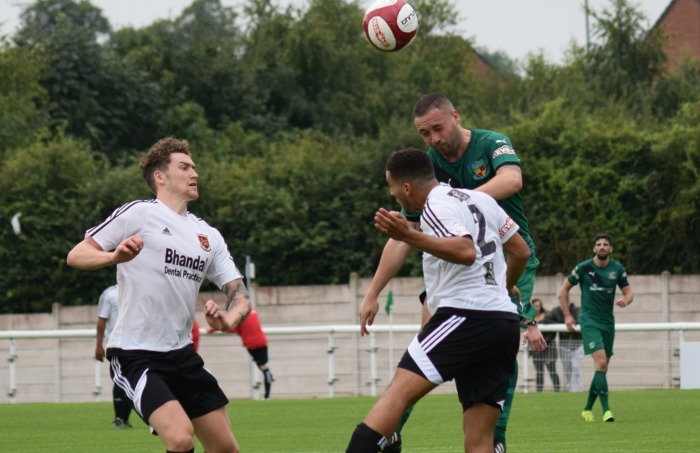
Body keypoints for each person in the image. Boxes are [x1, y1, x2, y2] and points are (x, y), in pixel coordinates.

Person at [359, 93, 543, 453]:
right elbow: (404, 236)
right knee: (430, 335)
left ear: (456, 117)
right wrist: (373, 292)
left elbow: (512, 180)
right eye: (424, 134)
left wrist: (461, 201)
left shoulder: (491, 142)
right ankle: (390, 432)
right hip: (454, 266)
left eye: (437, 129)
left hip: (504, 258)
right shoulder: (426, 165)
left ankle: (494, 438)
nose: (433, 140)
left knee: (499, 339)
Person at [67, 136, 251, 453]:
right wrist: (114, 258)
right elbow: (77, 254)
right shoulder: (139, 214)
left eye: (194, 166)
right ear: (160, 177)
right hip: (135, 353)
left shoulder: (208, 236)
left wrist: (227, 320)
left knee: (225, 448)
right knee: (180, 438)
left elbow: (241, 297)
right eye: (184, 167)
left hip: (181, 354)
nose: (194, 173)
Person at [559, 233, 634, 423]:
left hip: (607, 322)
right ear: (594, 248)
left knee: (602, 367)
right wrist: (567, 314)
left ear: (610, 249)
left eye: (605, 244)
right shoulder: (584, 268)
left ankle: (586, 409)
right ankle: (607, 410)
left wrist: (626, 300)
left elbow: (629, 291)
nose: (602, 247)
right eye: (598, 244)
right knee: (601, 363)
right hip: (589, 321)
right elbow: (564, 289)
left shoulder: (617, 268)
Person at [208, 306, 274, 399]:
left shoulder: (238, 314)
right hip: (260, 341)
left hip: (252, 344)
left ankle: (267, 396)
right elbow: (241, 327)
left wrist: (213, 329)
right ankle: (269, 380)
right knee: (263, 367)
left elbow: (229, 326)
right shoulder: (251, 309)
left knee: (264, 368)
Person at [95, 283, 134, 429]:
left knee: (132, 380)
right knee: (119, 378)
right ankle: (118, 418)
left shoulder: (138, 287)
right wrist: (98, 345)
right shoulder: (109, 294)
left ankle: (125, 419)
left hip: (137, 342)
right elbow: (102, 319)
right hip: (116, 342)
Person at [546, 301, 583, 392]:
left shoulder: (576, 310)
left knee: (576, 367)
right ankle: (570, 388)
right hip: (564, 345)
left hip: (578, 344)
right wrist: (563, 325)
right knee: (567, 369)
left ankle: (577, 389)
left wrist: (572, 325)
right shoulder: (556, 311)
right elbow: (546, 319)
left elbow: (582, 318)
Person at [529, 298, 560, 392]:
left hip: (549, 347)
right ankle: (539, 391)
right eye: (534, 306)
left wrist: (543, 342)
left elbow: (553, 331)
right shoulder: (530, 317)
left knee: (552, 369)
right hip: (536, 349)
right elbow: (523, 325)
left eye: (538, 306)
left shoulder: (547, 316)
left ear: (541, 306)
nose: (536, 308)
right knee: (539, 372)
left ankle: (557, 390)